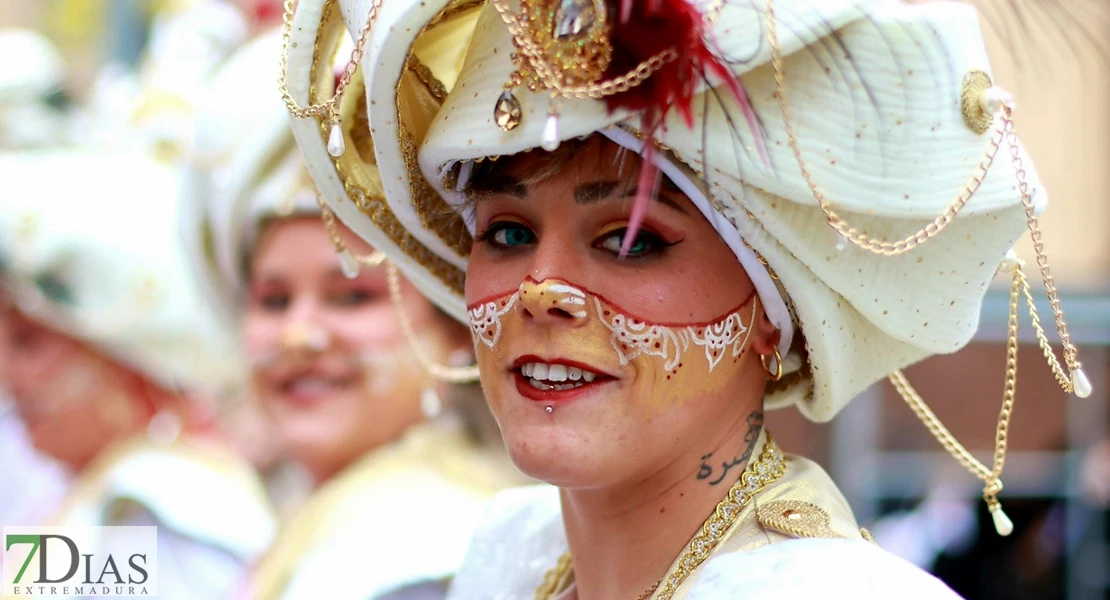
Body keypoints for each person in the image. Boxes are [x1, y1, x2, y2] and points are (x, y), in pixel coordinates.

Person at [282, 0, 1092, 597]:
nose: (541, 292)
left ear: (772, 316)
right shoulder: (507, 562)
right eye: (507, 232)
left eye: (631, 241)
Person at [183, 32, 522, 599]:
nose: (299, 334)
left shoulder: (417, 550)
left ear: (455, 330)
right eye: (273, 299)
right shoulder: (332, 517)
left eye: (351, 297)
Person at [0, 150, 276, 598]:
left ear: (124, 362)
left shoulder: (154, 504)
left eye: (27, 343)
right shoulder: (92, 492)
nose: (5, 373)